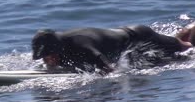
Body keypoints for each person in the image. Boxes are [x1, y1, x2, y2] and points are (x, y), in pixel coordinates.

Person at [32, 24, 195, 73]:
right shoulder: (60, 47)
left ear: (56, 48)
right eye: (44, 58)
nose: (48, 60)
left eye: (48, 56)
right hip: (127, 35)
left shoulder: (81, 45)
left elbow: (110, 70)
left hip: (139, 36)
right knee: (178, 43)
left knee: (186, 49)